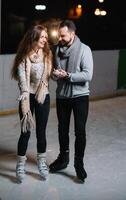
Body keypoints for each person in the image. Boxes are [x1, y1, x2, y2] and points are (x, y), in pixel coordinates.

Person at [49, 20, 93, 183]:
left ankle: (78, 163)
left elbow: (88, 75)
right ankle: (63, 159)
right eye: (59, 35)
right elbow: (53, 74)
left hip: (80, 97)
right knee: (62, 130)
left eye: (63, 35)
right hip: (62, 97)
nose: (60, 38)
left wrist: (68, 75)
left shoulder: (84, 50)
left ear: (72, 34)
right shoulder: (56, 50)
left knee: (80, 131)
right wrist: (55, 74)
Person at [11, 24, 53, 183]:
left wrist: (55, 74)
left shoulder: (48, 54)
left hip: (43, 96)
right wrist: (23, 92)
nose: (45, 39)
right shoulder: (24, 56)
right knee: (25, 132)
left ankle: (41, 162)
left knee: (41, 132)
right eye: (42, 36)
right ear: (34, 37)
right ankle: (20, 164)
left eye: (45, 37)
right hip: (27, 96)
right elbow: (22, 79)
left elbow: (49, 75)